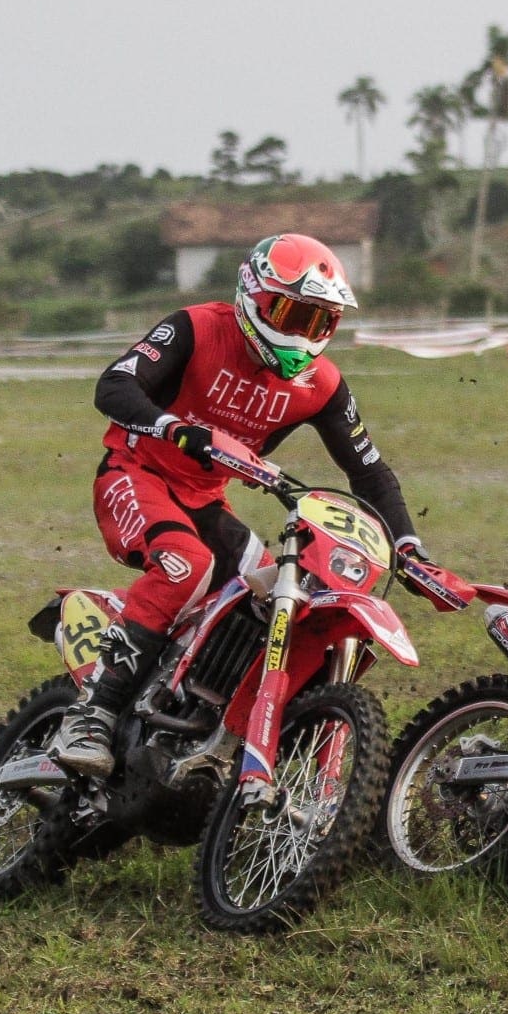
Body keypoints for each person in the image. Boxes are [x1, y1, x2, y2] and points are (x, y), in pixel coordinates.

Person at [50, 232, 437, 776]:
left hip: (206, 501)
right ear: (252, 294)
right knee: (190, 566)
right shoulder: (196, 327)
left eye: (319, 323)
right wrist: (176, 428)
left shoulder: (321, 384)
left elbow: (368, 469)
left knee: (275, 596)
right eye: (289, 313)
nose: (302, 336)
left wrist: (410, 548)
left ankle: (209, 716)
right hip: (136, 472)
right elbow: (113, 386)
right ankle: (91, 714)